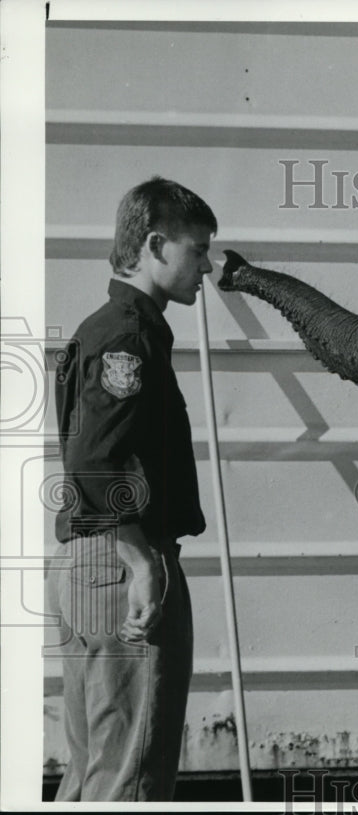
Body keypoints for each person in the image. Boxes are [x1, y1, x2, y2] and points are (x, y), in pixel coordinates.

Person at [51, 176, 216, 800]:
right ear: (154, 245)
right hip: (121, 566)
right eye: (196, 250)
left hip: (87, 566)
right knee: (130, 780)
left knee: (95, 771)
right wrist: (139, 556)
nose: (206, 266)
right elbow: (97, 459)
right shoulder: (128, 336)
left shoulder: (107, 327)